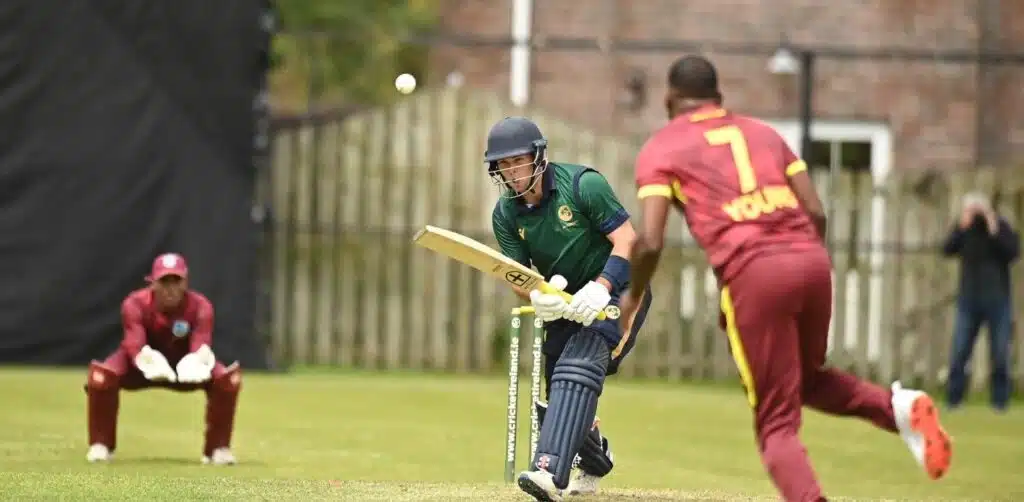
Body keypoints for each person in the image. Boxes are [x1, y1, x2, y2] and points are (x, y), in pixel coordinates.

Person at [619, 55, 952, 502]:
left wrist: (632, 297)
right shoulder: (765, 134)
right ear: (719, 98)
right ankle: (900, 410)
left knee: (776, 425)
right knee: (807, 380)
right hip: (811, 260)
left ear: (668, 100)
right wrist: (799, 258)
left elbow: (652, 241)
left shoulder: (662, 148)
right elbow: (815, 210)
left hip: (755, 273)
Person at [487, 116, 653, 501]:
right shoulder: (506, 214)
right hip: (565, 299)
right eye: (503, 164)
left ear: (538, 156)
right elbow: (517, 277)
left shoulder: (582, 186)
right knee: (557, 399)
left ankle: (548, 473)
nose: (512, 172)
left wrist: (602, 287)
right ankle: (596, 459)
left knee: (578, 368)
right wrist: (537, 297)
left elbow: (628, 240)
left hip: (620, 291)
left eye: (518, 160)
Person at [84, 253, 242, 465]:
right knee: (100, 378)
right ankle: (100, 445)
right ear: (152, 283)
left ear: (185, 282)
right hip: (141, 365)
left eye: (176, 281)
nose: (170, 288)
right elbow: (134, 342)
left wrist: (196, 360)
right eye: (164, 281)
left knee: (227, 381)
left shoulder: (201, 306)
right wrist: (145, 359)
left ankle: (218, 449)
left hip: (185, 366)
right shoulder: (135, 303)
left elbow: (201, 343)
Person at [942, 192, 1019, 412]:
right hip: (969, 299)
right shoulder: (965, 230)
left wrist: (993, 224)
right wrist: (961, 227)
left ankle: (1000, 402)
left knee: (1000, 353)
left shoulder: (1000, 226)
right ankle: (954, 400)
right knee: (959, 351)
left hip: (998, 300)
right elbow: (947, 249)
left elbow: (1012, 252)